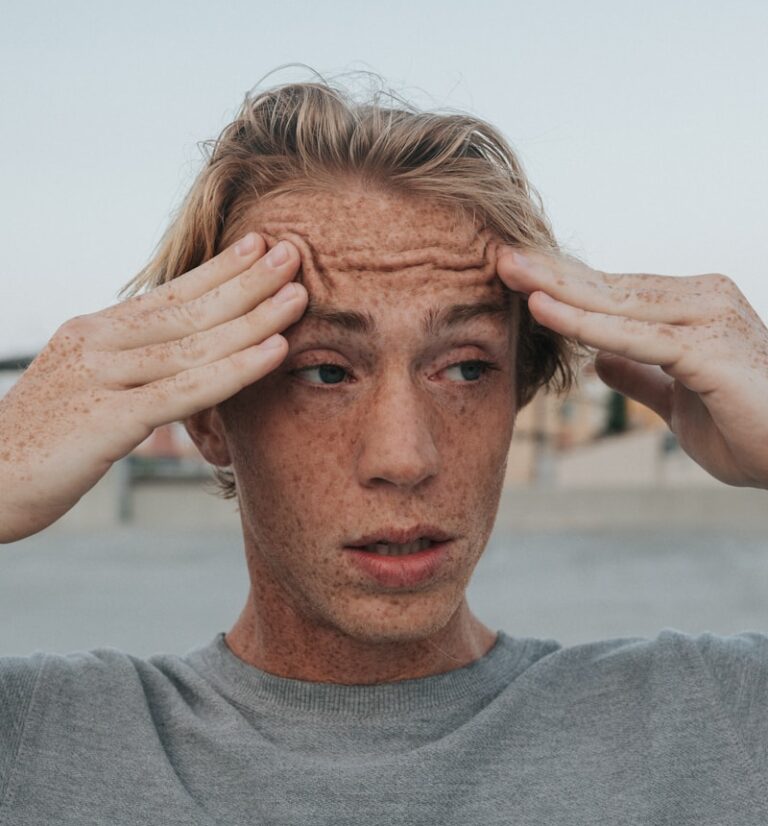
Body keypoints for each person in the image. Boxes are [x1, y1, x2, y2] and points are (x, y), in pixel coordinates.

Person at [1, 73, 767, 824]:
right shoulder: (36, 744)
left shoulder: (718, 720)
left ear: (517, 395)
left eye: (465, 368)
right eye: (326, 371)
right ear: (205, 415)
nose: (405, 458)